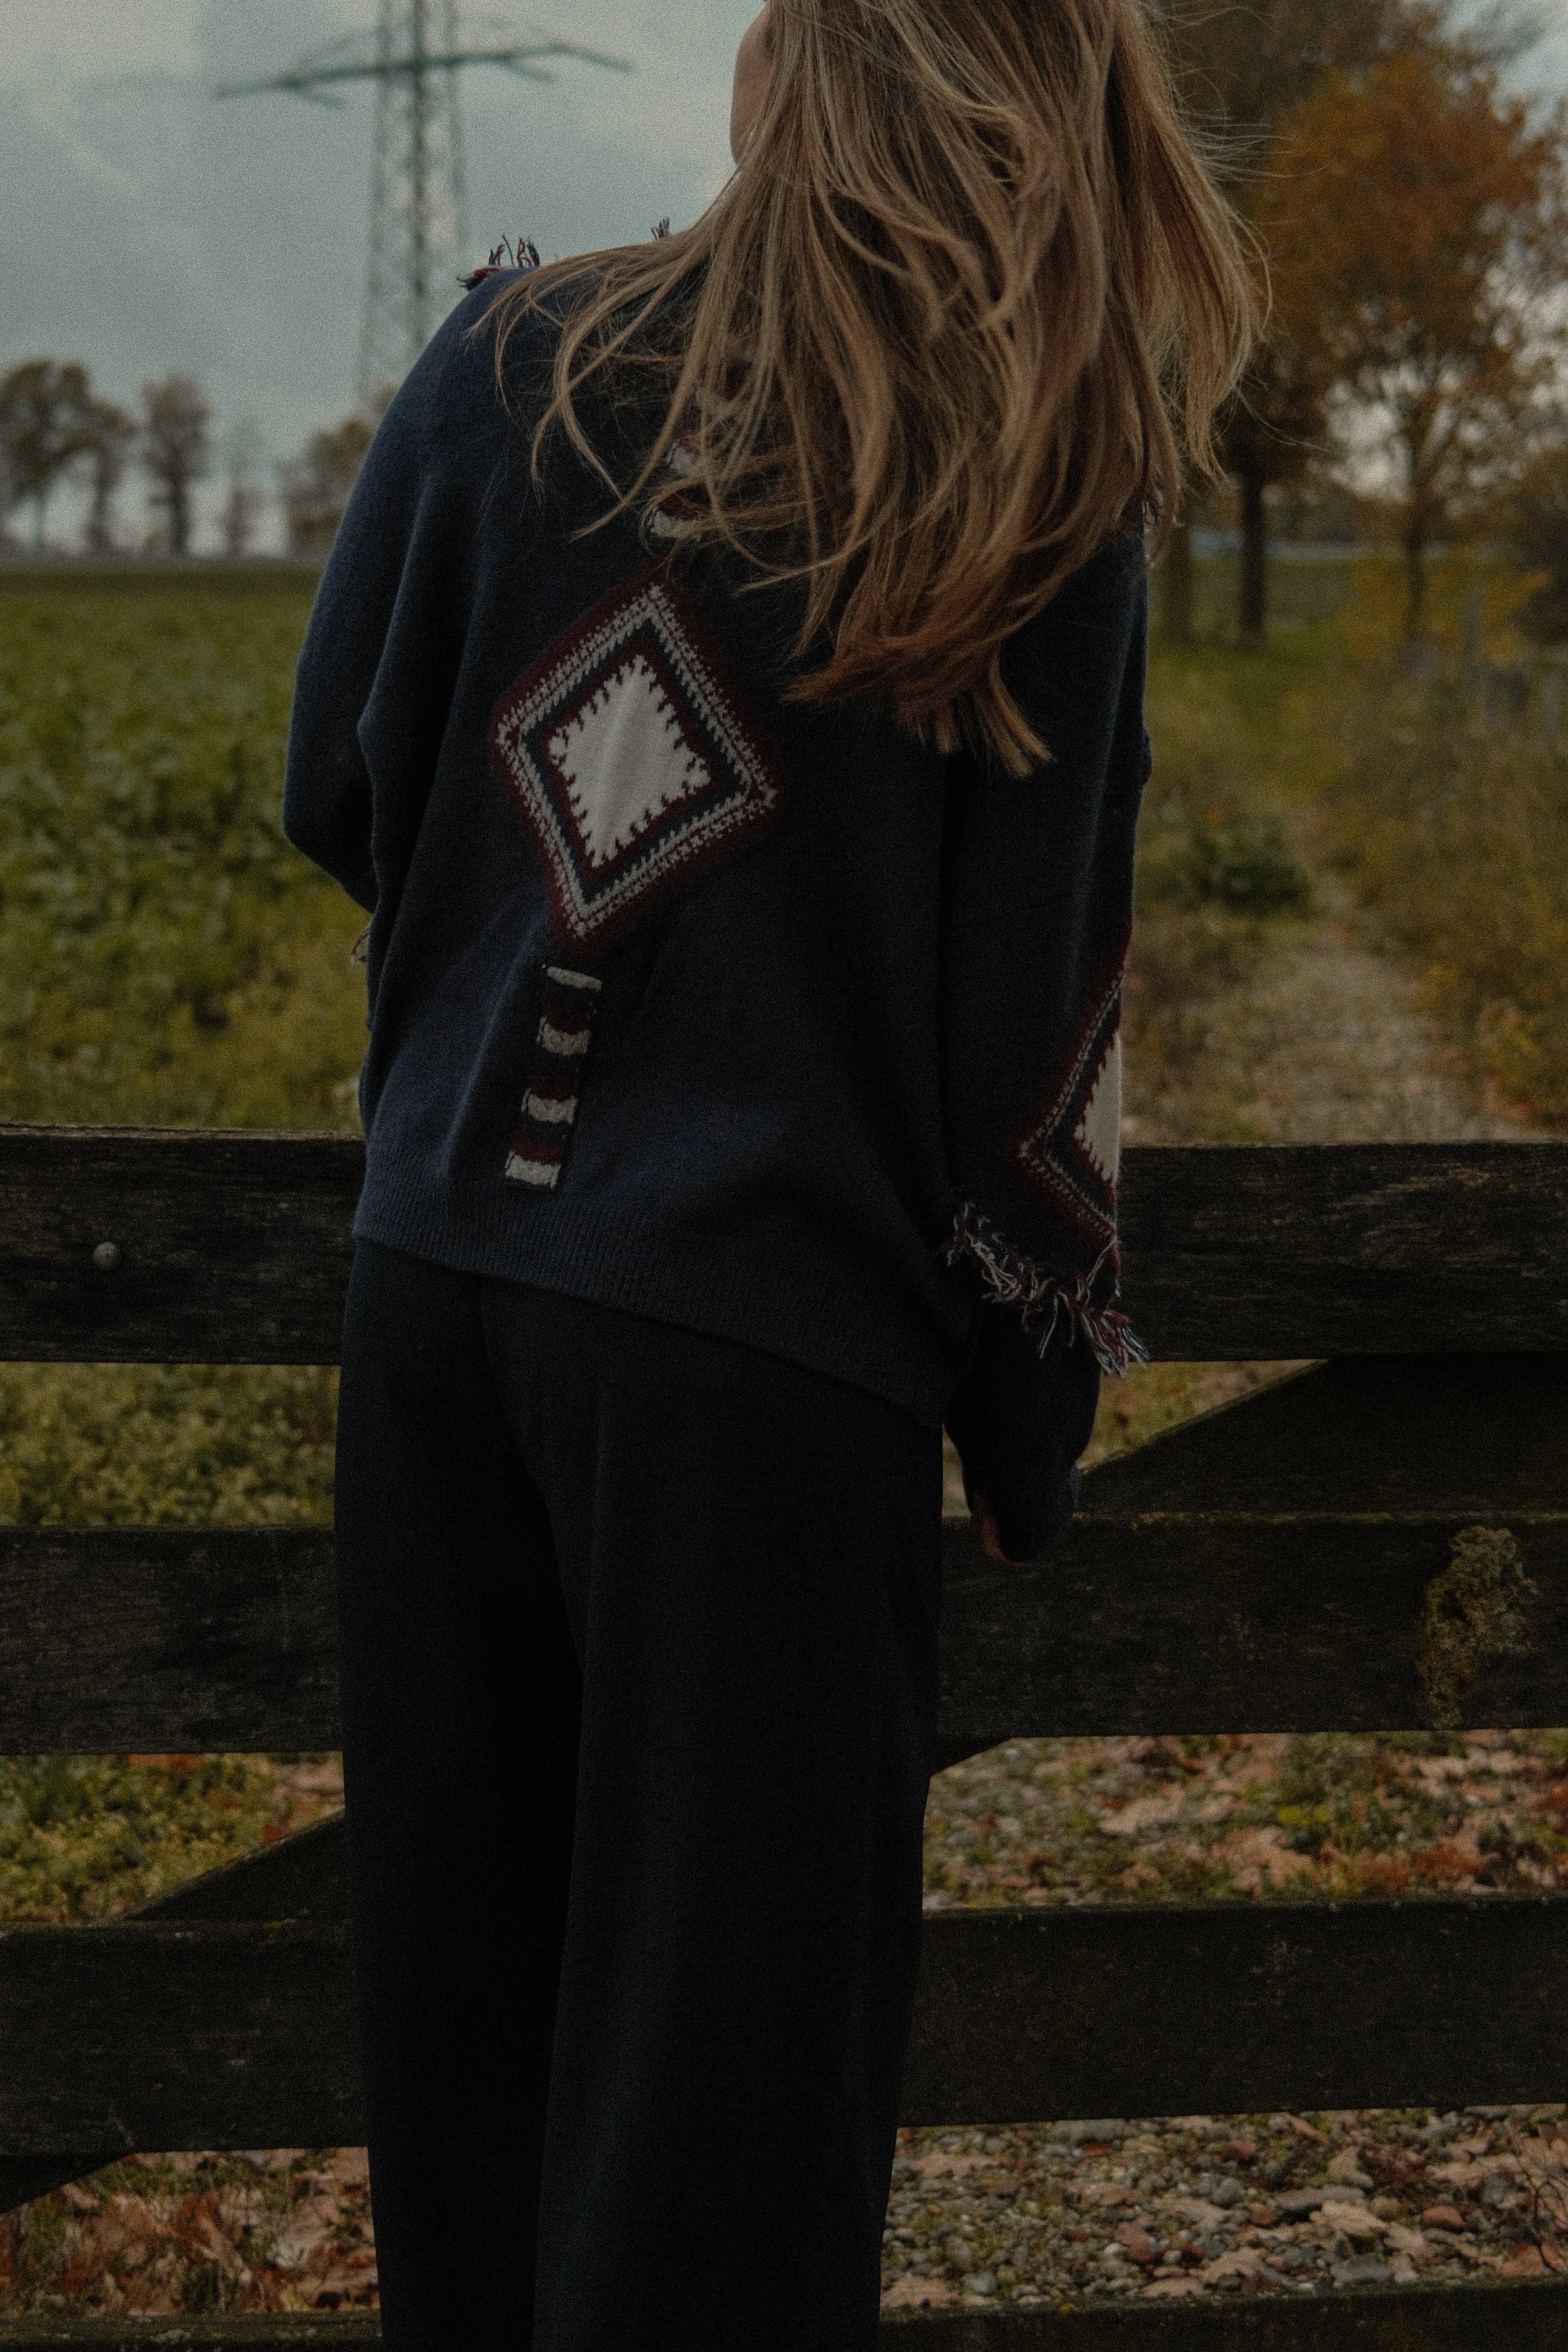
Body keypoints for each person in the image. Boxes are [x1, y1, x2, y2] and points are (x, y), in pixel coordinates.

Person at [283, 2, 1253, 2343]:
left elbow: (338, 777)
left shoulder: (506, 362)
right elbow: (1034, 1030)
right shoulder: (1032, 458)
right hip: (759, 1384)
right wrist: (1027, 1427)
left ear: (794, 63)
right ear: (1054, 90)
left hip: (431, 1324)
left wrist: (521, 988)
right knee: (717, 2162)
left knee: (469, 2109)